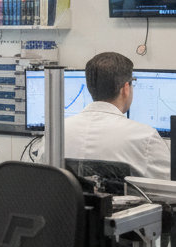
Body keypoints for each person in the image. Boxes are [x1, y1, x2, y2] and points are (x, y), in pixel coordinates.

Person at [63, 51, 170, 179]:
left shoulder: (56, 134)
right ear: (125, 89)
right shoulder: (146, 137)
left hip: (66, 200)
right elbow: (171, 188)